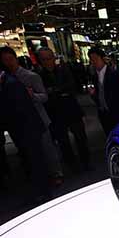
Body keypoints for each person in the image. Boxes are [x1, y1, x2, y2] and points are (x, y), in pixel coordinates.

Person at [0, 46, 63, 184]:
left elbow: (44, 96)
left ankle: (56, 173)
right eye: (4, 60)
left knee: (47, 148)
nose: (8, 63)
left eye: (10, 59)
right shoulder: (5, 79)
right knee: (29, 151)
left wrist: (32, 95)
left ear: (15, 59)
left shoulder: (30, 76)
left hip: (39, 118)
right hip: (20, 122)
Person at [37, 47, 91, 172]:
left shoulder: (64, 70)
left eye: (49, 58)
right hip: (55, 113)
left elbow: (72, 87)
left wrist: (54, 91)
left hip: (71, 110)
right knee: (63, 142)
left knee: (80, 138)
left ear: (53, 58)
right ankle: (72, 164)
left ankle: (86, 162)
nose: (47, 62)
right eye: (44, 59)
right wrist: (58, 91)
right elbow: (44, 94)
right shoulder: (39, 76)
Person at [0, 69, 50, 202]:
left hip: (28, 129)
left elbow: (18, 110)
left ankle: (44, 191)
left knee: (36, 160)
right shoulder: (8, 82)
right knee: (33, 160)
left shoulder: (11, 84)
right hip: (25, 129)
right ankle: (41, 190)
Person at [88, 47, 119, 136]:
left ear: (103, 59)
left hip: (117, 114)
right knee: (109, 136)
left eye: (96, 59)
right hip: (103, 114)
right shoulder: (94, 76)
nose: (94, 62)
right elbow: (98, 96)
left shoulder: (115, 73)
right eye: (91, 59)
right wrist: (93, 94)